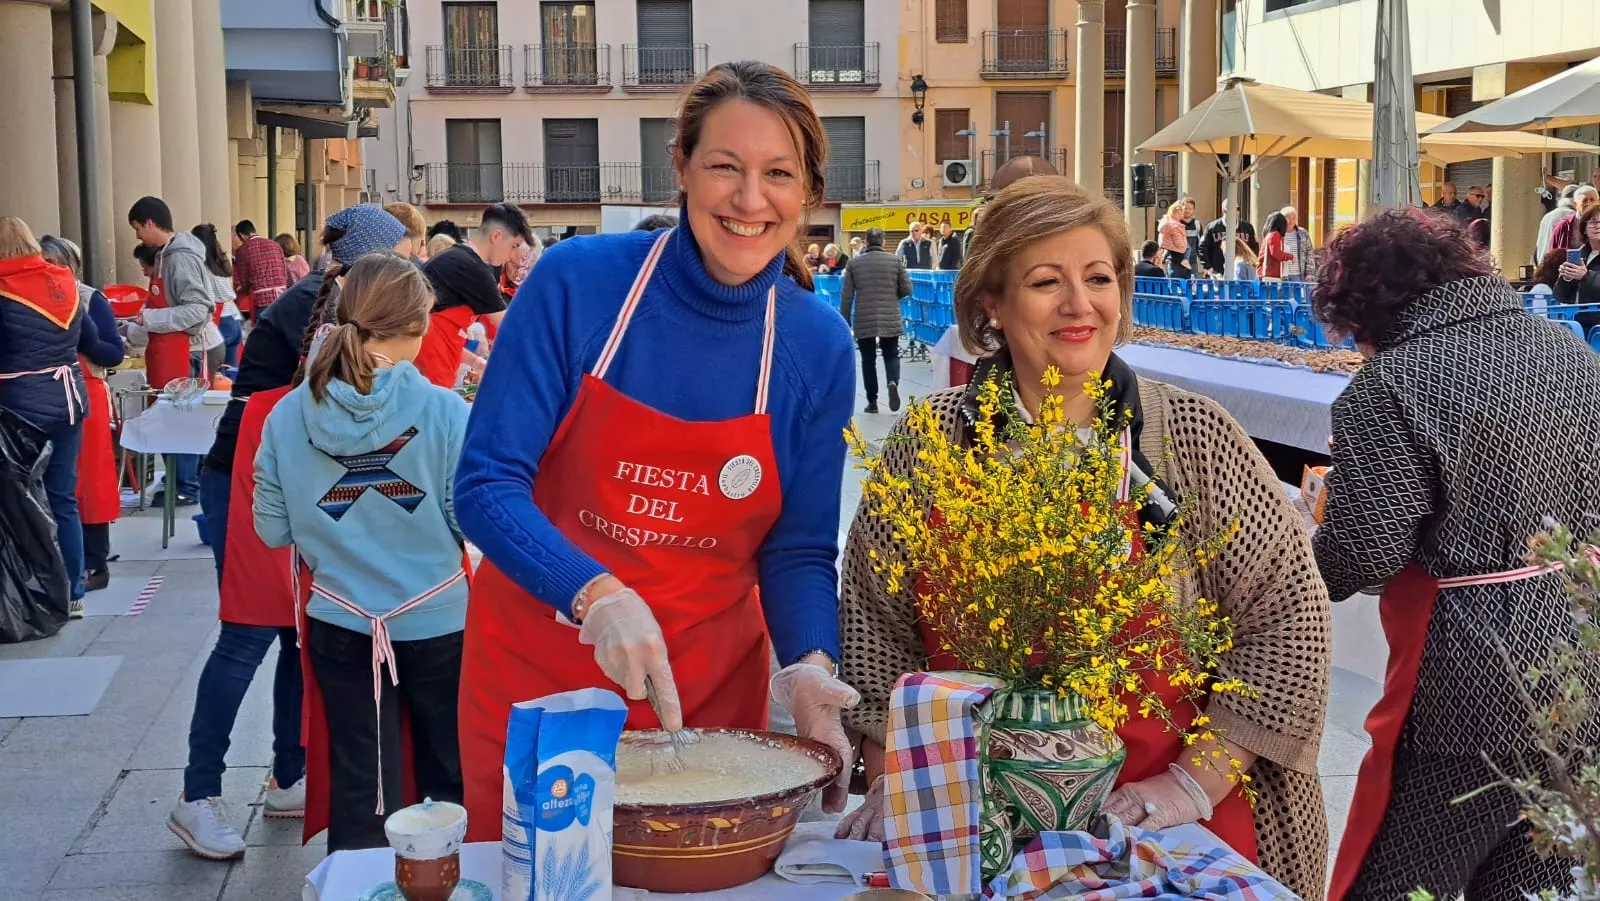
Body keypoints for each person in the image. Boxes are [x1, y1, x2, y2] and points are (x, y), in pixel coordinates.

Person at [834, 178, 1333, 901]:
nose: (1079, 304)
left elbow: (1289, 622)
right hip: (973, 835)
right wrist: (897, 785)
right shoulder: (930, 441)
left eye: (1098, 278)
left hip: (1176, 834)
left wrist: (1190, 783)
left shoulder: (1192, 435)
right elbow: (877, 631)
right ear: (991, 305)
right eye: (1046, 281)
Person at [453, 59, 861, 844]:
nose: (750, 199)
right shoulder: (578, 285)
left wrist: (811, 668)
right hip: (540, 685)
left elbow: (800, 547)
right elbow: (486, 484)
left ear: (806, 189)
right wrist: (595, 592)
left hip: (705, 709)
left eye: (777, 173)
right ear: (679, 163)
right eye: (724, 167)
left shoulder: (819, 346)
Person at [1312, 209, 1600, 901]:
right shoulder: (1569, 351)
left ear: (1366, 308)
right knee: (1537, 881)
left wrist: (1311, 525)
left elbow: (1362, 556)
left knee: (1404, 881)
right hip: (1583, 659)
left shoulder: (1391, 384)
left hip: (1464, 678)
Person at [171, 204, 410, 861]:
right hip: (249, 477)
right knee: (249, 632)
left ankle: (288, 774)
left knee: (298, 632)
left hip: (291, 474)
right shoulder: (326, 304)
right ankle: (196, 794)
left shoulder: (338, 300)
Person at [253, 253, 471, 852]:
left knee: (360, 781)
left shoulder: (286, 415)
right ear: (420, 327)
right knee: (447, 772)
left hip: (340, 620)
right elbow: (464, 519)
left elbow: (272, 530)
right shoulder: (446, 411)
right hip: (439, 620)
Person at [1, 222, 96, 614]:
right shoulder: (65, 282)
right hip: (69, 399)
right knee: (62, 498)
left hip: (18, 409)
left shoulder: (5, 290)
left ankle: (34, 591)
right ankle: (73, 589)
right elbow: (91, 342)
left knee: (19, 504)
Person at [40, 236, 125, 597]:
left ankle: (95, 562)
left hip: (85, 390)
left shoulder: (89, 298)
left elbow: (112, 352)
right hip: (43, 394)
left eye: (50, 261)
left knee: (88, 481)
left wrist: (82, 339)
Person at [127, 196, 224, 506]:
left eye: (138, 228)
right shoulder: (168, 255)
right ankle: (178, 480)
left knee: (181, 419)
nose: (138, 236)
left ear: (150, 223)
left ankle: (186, 486)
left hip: (188, 352)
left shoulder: (180, 257)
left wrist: (153, 319)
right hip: (172, 351)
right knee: (174, 418)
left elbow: (198, 309)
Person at [416, 201, 530, 388]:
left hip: (433, 361)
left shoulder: (455, 257)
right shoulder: (473, 268)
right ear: (497, 236)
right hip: (433, 369)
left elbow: (449, 332)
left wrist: (477, 362)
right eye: (514, 245)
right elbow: (512, 326)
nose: (512, 255)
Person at [839, 227, 912, 414]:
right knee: (891, 354)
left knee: (868, 360)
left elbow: (846, 296)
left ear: (866, 242)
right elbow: (907, 289)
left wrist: (844, 321)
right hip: (890, 317)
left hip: (864, 318)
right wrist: (891, 294)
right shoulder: (895, 261)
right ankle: (892, 381)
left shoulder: (854, 264)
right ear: (884, 242)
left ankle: (872, 401)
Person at [194, 224, 244, 368]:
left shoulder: (202, 266)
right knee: (230, 375)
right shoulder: (222, 263)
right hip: (233, 319)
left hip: (219, 321)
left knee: (215, 375)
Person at [231, 220, 289, 315]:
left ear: (241, 235)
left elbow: (244, 281)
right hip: (281, 296)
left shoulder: (242, 250)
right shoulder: (275, 245)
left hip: (261, 299)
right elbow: (284, 272)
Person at [1555, 202, 1600, 306]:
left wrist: (1586, 276)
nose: (1597, 226)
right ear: (1584, 229)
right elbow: (1560, 296)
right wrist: (1566, 278)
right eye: (1593, 222)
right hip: (1578, 318)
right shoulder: (1580, 254)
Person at [1199, 200, 1257, 276]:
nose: (1236, 211)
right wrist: (1209, 268)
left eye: (1237, 209)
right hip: (1218, 272)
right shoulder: (1212, 227)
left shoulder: (1247, 228)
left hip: (1241, 271)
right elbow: (1203, 248)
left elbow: (1254, 248)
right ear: (1224, 210)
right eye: (1232, 208)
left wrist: (1251, 265)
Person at [1536, 184, 1579, 263]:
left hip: (1543, 265)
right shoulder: (1572, 216)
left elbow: (1538, 245)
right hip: (1558, 267)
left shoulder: (1547, 216)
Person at [1551, 185, 1599, 253]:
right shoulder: (1563, 226)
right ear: (1575, 204)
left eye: (1592, 200)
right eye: (1585, 200)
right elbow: (1553, 254)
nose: (1589, 203)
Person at [1280, 206, 1315, 281]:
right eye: (1288, 218)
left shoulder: (1303, 233)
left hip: (1298, 275)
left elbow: (1309, 253)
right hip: (1282, 274)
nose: (1291, 221)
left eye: (1294, 218)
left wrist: (1310, 273)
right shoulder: (1277, 234)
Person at [1157, 201, 1190, 278]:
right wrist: (1182, 247)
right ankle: (1185, 260)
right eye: (1179, 214)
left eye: (1181, 214)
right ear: (1173, 213)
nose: (1181, 216)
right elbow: (1178, 240)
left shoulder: (1166, 221)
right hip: (1176, 250)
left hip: (1167, 247)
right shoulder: (1174, 226)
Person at [1259, 212, 1293, 280]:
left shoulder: (1268, 235)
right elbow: (1276, 253)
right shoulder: (1274, 235)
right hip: (1270, 274)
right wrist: (1290, 256)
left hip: (1266, 273)